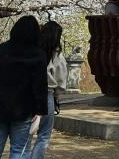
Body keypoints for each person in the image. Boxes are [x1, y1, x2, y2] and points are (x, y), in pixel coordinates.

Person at [0, 15, 49, 159]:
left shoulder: (3, 49)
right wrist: (40, 111)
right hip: (23, 111)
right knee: (20, 151)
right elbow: (40, 85)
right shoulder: (38, 54)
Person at [29, 21, 67, 159]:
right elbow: (61, 80)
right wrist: (58, 95)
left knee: (26, 133)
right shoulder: (56, 55)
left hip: (28, 94)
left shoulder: (32, 50)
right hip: (47, 95)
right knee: (43, 135)